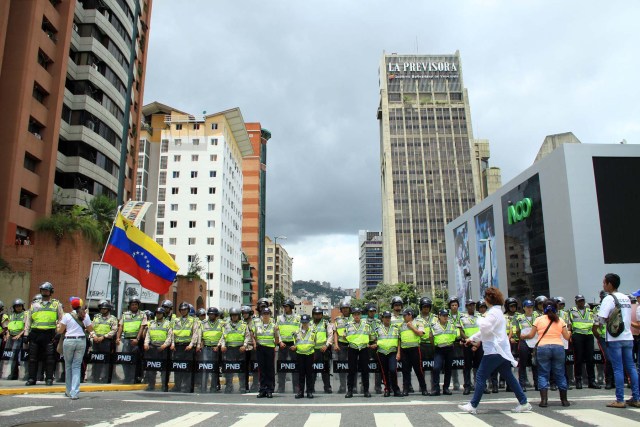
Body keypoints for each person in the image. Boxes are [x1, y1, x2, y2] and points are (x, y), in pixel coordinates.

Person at [459, 287, 531, 415]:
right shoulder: (496, 312)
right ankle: (524, 402)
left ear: (489, 299)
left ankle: (473, 405)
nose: (484, 300)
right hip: (500, 351)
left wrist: (479, 318)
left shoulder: (493, 313)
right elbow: (486, 332)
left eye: (485, 297)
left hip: (494, 350)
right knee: (509, 377)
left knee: (480, 376)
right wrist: (471, 338)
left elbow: (484, 327)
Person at [595, 273, 640, 408]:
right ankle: (636, 398)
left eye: (604, 283)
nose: (603, 285)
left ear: (609, 284)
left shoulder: (609, 298)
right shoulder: (626, 298)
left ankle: (620, 399)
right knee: (631, 367)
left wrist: (599, 326)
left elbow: (601, 319)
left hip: (615, 338)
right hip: (628, 336)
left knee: (618, 369)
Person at [521, 299, 571, 407]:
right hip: (558, 347)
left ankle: (544, 400)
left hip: (542, 348)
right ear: (556, 308)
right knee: (560, 373)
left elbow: (530, 335)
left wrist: (522, 336)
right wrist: (570, 332)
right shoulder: (560, 320)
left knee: (543, 373)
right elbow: (567, 337)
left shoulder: (538, 320)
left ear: (543, 308)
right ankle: (564, 400)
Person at [25, 282, 63, 386]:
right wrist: (26, 334)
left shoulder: (56, 304)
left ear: (51, 292)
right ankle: (32, 378)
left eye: (46, 290)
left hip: (49, 335)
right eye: (43, 290)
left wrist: (59, 332)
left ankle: (49, 378)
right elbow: (29, 320)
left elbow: (61, 319)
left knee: (50, 358)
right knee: (32, 358)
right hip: (35, 334)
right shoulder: (34, 304)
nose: (44, 292)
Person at [57, 297, 92, 400]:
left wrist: (58, 326)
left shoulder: (67, 316)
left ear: (71, 306)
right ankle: (75, 392)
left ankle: (68, 391)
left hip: (69, 341)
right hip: (81, 341)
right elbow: (90, 329)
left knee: (68, 365)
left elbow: (60, 331)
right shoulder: (85, 316)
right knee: (76, 366)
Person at [569, 294, 600, 389]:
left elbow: (595, 323)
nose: (581, 302)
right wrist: (570, 336)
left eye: (582, 300)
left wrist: (596, 334)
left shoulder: (590, 311)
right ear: (576, 302)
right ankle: (578, 380)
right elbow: (569, 325)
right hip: (577, 336)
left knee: (590, 359)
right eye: (579, 301)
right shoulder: (572, 311)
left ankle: (591, 381)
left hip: (588, 336)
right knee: (578, 359)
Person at [344, 307, 374, 398]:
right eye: (355, 314)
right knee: (351, 370)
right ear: (352, 315)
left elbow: (372, 336)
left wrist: (370, 343)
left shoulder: (367, 325)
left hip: (364, 348)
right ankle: (349, 391)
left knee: (365, 370)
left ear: (360, 315)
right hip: (352, 348)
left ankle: (366, 391)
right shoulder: (348, 325)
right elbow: (344, 336)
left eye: (358, 314)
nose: (356, 316)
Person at [116, 297, 147, 384]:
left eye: (136, 305)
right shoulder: (125, 314)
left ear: (138, 305)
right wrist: (118, 338)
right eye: (132, 305)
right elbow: (121, 326)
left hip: (136, 341)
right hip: (126, 340)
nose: (134, 306)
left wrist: (137, 339)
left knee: (135, 361)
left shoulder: (142, 314)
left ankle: (134, 377)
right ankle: (127, 377)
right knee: (124, 359)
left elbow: (142, 327)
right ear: (130, 305)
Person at [220, 307, 251, 393]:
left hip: (240, 349)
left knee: (241, 369)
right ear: (230, 316)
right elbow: (223, 337)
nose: (234, 317)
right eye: (233, 315)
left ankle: (242, 387)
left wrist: (244, 346)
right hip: (229, 350)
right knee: (229, 369)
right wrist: (223, 345)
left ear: (238, 316)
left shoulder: (243, 325)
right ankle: (229, 387)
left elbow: (247, 336)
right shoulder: (226, 325)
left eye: (236, 315)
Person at [511, 299, 539, 391]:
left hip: (536, 341)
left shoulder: (537, 316)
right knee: (522, 363)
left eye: (531, 307)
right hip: (524, 341)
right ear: (524, 308)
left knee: (535, 363)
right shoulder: (519, 318)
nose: (529, 309)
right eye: (527, 307)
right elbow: (516, 329)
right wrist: (519, 337)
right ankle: (522, 384)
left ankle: (537, 383)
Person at [171, 302, 199, 392]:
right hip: (177, 347)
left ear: (188, 310)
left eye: (185, 309)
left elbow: (195, 334)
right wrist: (172, 344)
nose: (183, 311)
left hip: (188, 347)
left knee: (188, 368)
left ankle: (187, 386)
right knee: (177, 368)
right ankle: (177, 386)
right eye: (182, 310)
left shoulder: (193, 320)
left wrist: (191, 345)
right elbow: (172, 333)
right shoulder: (176, 321)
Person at [398, 308, 428, 396]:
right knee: (405, 371)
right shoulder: (401, 325)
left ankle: (424, 389)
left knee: (418, 370)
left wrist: (411, 327)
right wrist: (399, 352)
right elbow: (399, 339)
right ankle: (405, 389)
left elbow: (421, 334)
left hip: (415, 349)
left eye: (405, 315)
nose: (403, 317)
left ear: (410, 315)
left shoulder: (418, 323)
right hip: (404, 350)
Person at [144, 307, 172, 391]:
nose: (158, 314)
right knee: (151, 368)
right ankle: (151, 385)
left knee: (164, 369)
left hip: (163, 348)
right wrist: (146, 344)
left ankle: (164, 386)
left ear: (163, 314)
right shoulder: (151, 323)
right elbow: (148, 335)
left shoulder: (168, 323)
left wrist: (164, 345)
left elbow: (170, 336)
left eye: (160, 313)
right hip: (152, 348)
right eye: (157, 313)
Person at [429, 309, 456, 396]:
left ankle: (446, 388)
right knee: (436, 368)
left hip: (449, 349)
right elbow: (431, 337)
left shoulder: (451, 325)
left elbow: (455, 335)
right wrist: (434, 346)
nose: (445, 317)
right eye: (443, 315)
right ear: (439, 316)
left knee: (448, 369)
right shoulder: (434, 325)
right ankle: (436, 389)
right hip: (439, 349)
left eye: (446, 315)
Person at [90, 300, 118, 383]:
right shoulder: (96, 317)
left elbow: (114, 330)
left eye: (105, 309)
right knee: (96, 360)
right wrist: (94, 336)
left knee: (106, 361)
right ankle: (95, 377)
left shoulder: (113, 319)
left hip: (106, 341)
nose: (103, 310)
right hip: (96, 341)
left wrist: (104, 337)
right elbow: (91, 328)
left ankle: (105, 378)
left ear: (108, 309)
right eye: (102, 308)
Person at [374, 311, 401, 397]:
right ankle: (387, 389)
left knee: (393, 370)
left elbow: (399, 341)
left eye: (389, 317)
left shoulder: (395, 328)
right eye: (386, 317)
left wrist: (398, 352)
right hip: (381, 352)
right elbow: (374, 340)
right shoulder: (377, 329)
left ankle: (396, 389)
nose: (387, 319)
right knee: (384, 372)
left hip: (392, 352)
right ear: (382, 318)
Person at [276, 299, 300, 393]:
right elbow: (277, 331)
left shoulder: (298, 318)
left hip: (294, 345)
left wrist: (297, 344)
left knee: (295, 367)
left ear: (291, 307)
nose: (285, 308)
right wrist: (280, 342)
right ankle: (281, 387)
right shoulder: (279, 318)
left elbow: (300, 332)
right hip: (283, 345)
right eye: (284, 306)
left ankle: (296, 387)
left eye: (286, 306)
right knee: (282, 367)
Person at [198, 307, 224, 393]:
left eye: (213, 314)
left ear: (216, 315)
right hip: (206, 348)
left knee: (214, 369)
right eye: (209, 314)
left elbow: (223, 335)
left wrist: (218, 345)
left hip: (216, 349)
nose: (211, 315)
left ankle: (214, 386)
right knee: (205, 368)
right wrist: (200, 345)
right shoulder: (203, 323)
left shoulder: (221, 323)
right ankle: (203, 386)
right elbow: (200, 335)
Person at [254, 307, 278, 398]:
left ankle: (269, 389)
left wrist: (272, 346)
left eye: (267, 314)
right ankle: (262, 389)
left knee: (270, 369)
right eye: (264, 314)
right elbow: (255, 336)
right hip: (260, 348)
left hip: (269, 348)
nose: (265, 316)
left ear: (270, 315)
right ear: (261, 315)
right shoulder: (257, 325)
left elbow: (276, 338)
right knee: (262, 369)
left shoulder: (274, 325)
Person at [459, 300, 481, 395]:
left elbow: (483, 330)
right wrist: (469, 340)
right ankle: (467, 386)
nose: (471, 307)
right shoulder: (462, 317)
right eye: (469, 305)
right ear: (466, 306)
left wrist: (478, 342)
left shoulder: (480, 317)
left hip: (479, 343)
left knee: (479, 366)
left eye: (473, 305)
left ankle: (480, 386)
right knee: (467, 366)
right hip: (467, 343)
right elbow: (461, 331)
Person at [592, 290, 613, 389]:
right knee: (608, 358)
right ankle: (608, 380)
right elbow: (595, 326)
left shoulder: (615, 306)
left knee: (615, 359)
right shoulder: (597, 308)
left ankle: (614, 380)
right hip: (603, 337)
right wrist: (599, 337)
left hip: (614, 336)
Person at [292, 314, 316, 399]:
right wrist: (294, 347)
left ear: (309, 322)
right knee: (301, 374)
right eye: (303, 322)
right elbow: (295, 343)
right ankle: (300, 392)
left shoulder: (313, 332)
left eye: (306, 322)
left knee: (309, 374)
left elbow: (315, 342)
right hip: (300, 354)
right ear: (301, 322)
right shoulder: (296, 332)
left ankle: (309, 392)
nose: (305, 324)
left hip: (309, 354)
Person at [310, 306, 333, 394]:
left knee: (325, 370)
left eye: (319, 314)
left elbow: (330, 335)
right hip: (312, 350)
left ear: (322, 315)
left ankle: (327, 387)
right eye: (316, 314)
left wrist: (326, 345)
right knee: (312, 370)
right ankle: (311, 387)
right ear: (313, 315)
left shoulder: (326, 323)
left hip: (323, 350)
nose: (317, 315)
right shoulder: (309, 324)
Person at [416, 297, 435, 391]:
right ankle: (422, 386)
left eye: (428, 306)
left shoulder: (435, 318)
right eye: (424, 306)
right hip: (422, 345)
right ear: (421, 307)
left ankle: (433, 386)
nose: (426, 308)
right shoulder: (417, 319)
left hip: (432, 344)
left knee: (433, 366)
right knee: (421, 367)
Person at [4, 299, 26, 380]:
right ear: (14, 307)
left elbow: (25, 327)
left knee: (14, 355)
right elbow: (8, 326)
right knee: (8, 354)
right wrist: (7, 334)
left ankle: (11, 374)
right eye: (17, 306)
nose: (18, 308)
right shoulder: (12, 315)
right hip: (11, 336)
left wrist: (19, 335)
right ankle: (13, 374)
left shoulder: (24, 314)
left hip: (19, 337)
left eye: (20, 306)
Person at [333, 301, 352, 393]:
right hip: (341, 345)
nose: (345, 310)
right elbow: (335, 333)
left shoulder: (354, 318)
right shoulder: (337, 320)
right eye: (343, 308)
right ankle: (343, 386)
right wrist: (336, 344)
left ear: (349, 309)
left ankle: (353, 386)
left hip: (352, 345)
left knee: (353, 366)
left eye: (347, 308)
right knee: (342, 367)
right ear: (341, 310)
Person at [365, 304, 383, 394]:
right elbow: (362, 334)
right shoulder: (363, 322)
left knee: (378, 367)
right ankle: (364, 386)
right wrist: (367, 344)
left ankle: (378, 386)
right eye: (370, 311)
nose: (372, 313)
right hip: (367, 345)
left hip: (376, 345)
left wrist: (377, 343)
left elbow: (381, 333)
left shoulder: (379, 322)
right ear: (367, 312)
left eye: (373, 311)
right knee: (364, 366)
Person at [447, 297, 462, 391]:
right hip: (451, 342)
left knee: (464, 363)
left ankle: (469, 382)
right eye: (452, 305)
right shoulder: (446, 316)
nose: (454, 307)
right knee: (453, 363)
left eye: (456, 305)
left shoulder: (462, 316)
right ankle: (455, 382)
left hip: (461, 342)